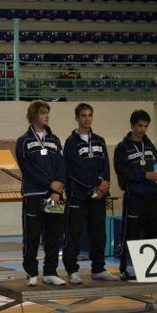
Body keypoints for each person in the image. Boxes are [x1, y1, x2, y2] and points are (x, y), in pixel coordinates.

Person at [62, 104, 119, 284]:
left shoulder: (100, 140)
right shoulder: (71, 142)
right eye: (83, 116)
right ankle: (72, 270)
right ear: (77, 118)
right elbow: (75, 169)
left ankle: (98, 268)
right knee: (74, 234)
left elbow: (105, 166)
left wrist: (104, 186)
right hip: (78, 196)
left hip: (98, 196)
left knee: (99, 233)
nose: (87, 119)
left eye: (90, 116)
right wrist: (95, 183)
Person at [15, 100, 67, 286]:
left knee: (54, 234)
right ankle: (31, 273)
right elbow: (28, 169)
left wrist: (58, 187)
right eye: (43, 113)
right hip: (33, 195)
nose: (46, 116)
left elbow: (62, 164)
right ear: (34, 115)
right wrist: (49, 183)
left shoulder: (54, 140)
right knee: (32, 235)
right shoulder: (24, 141)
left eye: (47, 113)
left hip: (54, 196)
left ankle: (50, 271)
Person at [113, 109, 157, 280]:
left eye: (146, 126)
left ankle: (148, 269)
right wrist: (143, 174)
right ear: (132, 125)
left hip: (152, 197)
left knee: (152, 232)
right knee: (130, 233)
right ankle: (124, 267)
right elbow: (122, 171)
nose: (142, 130)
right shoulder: (122, 148)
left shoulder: (150, 146)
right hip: (134, 197)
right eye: (139, 126)